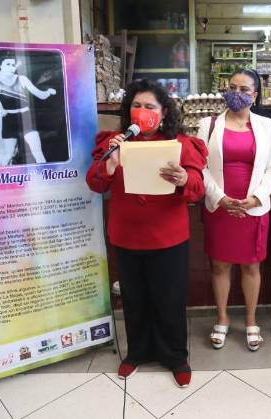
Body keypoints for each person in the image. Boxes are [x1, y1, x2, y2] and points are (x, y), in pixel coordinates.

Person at [85, 79, 206, 387]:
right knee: (134, 298)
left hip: (168, 237)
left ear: (164, 112)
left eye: (150, 106)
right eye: (136, 105)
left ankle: (175, 356)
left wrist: (183, 179)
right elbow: (95, 183)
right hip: (126, 236)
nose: (142, 111)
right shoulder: (114, 142)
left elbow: (197, 188)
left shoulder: (180, 144)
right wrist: (110, 165)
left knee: (169, 299)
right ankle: (136, 352)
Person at [197, 69, 271, 351]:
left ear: (254, 95)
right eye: (232, 87)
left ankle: (251, 320)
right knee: (220, 265)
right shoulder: (208, 125)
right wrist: (220, 198)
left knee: (251, 266)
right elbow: (201, 167)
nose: (237, 93)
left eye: (244, 89)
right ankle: (222, 318)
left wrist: (257, 198)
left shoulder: (266, 126)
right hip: (220, 207)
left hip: (252, 208)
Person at [0, 50, 56, 165]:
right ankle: (0, 175)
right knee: (8, 155)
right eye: (8, 64)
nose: (11, 67)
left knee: (38, 153)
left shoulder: (22, 79)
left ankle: (44, 174)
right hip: (8, 120)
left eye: (13, 64)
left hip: (25, 117)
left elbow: (40, 95)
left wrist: (48, 92)